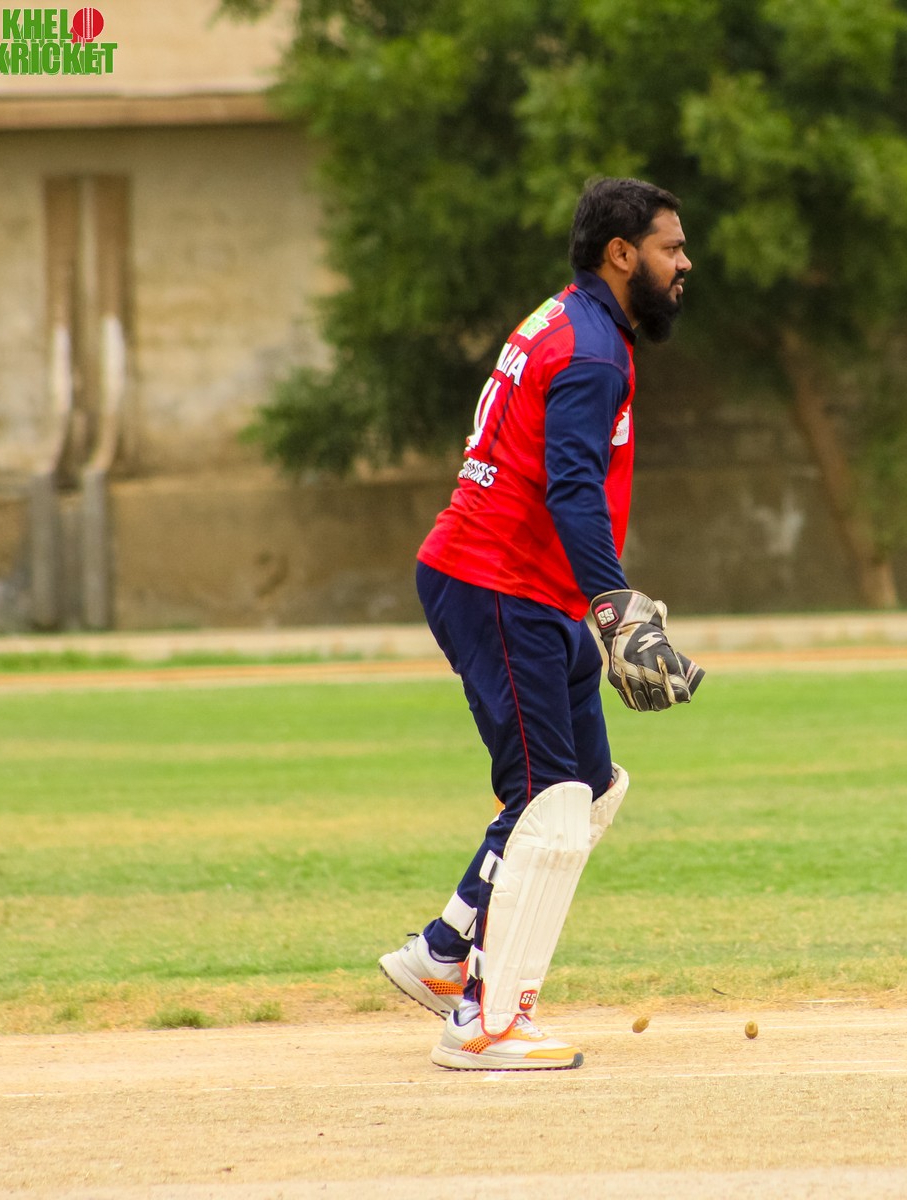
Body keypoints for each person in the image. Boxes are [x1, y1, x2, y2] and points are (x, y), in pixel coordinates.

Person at [379, 177, 704, 1072]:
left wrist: (588, 601)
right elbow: (571, 487)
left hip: (517, 586)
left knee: (588, 788)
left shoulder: (572, 319)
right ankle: (484, 1023)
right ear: (622, 254)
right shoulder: (593, 349)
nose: (685, 264)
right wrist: (615, 606)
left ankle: (446, 951)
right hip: (500, 585)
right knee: (548, 798)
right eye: (672, 248)